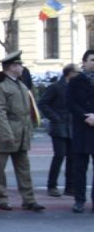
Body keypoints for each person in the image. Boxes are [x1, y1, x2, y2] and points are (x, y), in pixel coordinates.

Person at [0, 51, 44, 211]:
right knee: (0, 169)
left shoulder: (20, 84)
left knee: (24, 168)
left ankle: (29, 199)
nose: (21, 67)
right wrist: (6, 134)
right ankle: (1, 198)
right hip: (6, 133)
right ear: (12, 67)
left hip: (22, 132)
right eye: (19, 65)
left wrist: (30, 129)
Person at [38, 64, 77, 197]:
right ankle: (52, 186)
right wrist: (55, 118)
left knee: (72, 158)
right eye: (77, 72)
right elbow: (42, 103)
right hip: (59, 127)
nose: (79, 74)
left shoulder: (75, 87)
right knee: (59, 156)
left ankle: (70, 187)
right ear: (70, 73)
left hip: (72, 127)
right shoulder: (56, 87)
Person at [68, 49, 94, 213]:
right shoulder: (75, 81)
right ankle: (79, 200)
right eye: (91, 59)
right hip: (82, 128)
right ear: (84, 62)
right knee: (79, 168)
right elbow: (70, 103)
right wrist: (86, 116)